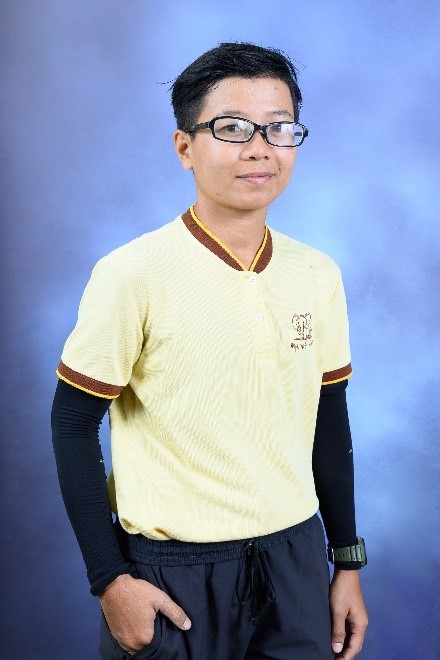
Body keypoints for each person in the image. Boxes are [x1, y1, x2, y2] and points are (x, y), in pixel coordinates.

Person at [51, 42, 368, 659]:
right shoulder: (132, 274)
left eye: (279, 128)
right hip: (173, 573)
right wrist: (109, 579)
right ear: (184, 147)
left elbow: (328, 420)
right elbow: (71, 425)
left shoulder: (316, 273)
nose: (260, 148)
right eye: (232, 128)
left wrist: (347, 562)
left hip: (296, 561)